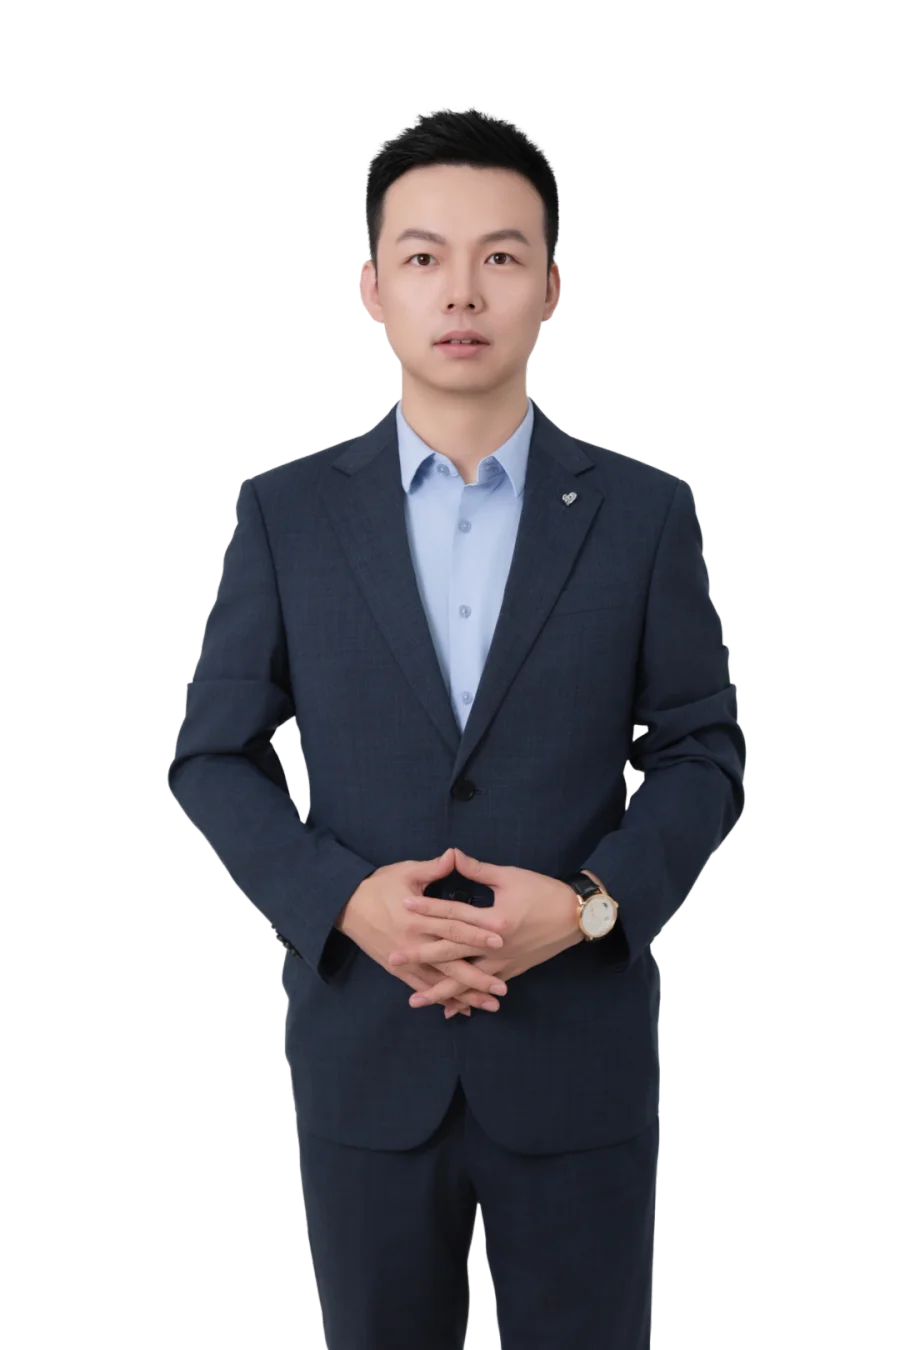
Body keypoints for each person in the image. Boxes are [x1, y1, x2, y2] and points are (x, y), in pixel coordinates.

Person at [169, 105, 745, 1350]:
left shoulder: (644, 514)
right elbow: (212, 755)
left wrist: (590, 906)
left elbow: (704, 751)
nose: (463, 291)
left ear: (554, 287)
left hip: (577, 1057)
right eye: (425, 256)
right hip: (367, 1055)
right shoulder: (286, 515)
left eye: (502, 256)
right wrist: (342, 903)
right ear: (372, 287)